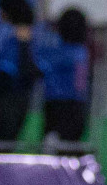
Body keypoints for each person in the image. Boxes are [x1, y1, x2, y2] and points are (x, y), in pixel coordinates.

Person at [0, 0, 39, 142]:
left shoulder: (18, 39)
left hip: (9, 100)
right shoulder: (27, 37)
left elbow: (8, 72)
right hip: (20, 99)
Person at [38, 9, 91, 142]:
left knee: (53, 151)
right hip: (77, 108)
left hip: (57, 108)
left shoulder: (58, 53)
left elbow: (38, 62)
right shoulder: (82, 53)